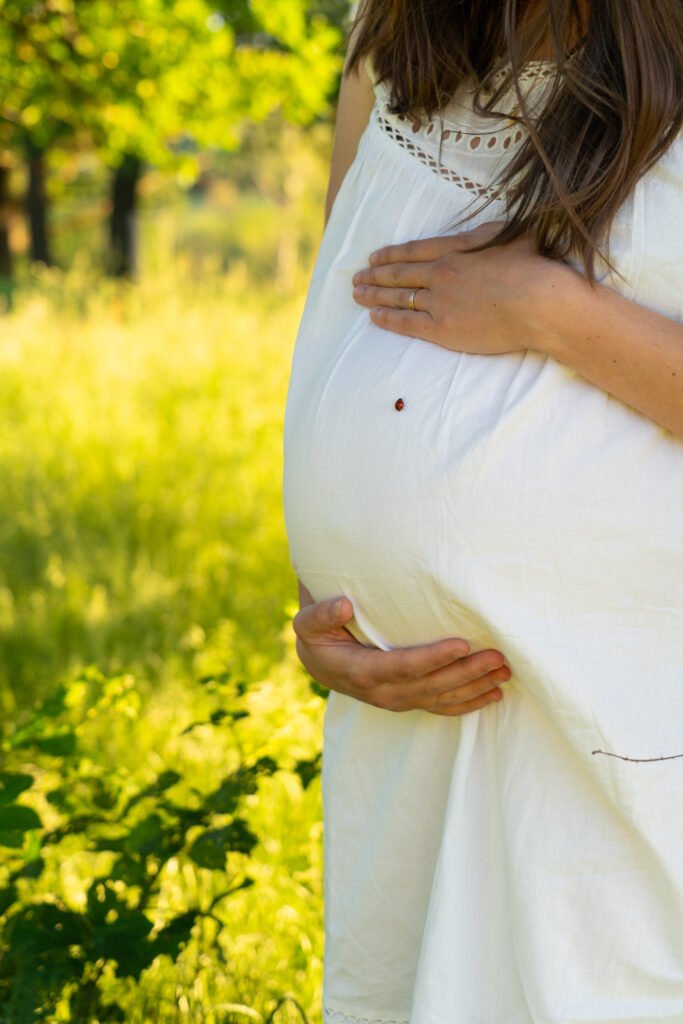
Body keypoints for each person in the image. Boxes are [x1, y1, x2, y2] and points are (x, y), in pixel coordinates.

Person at [282, 0, 683, 1020]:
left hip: (611, 715)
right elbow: (341, 308)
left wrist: (548, 313)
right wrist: (329, 610)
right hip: (418, 715)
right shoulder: (393, 27)